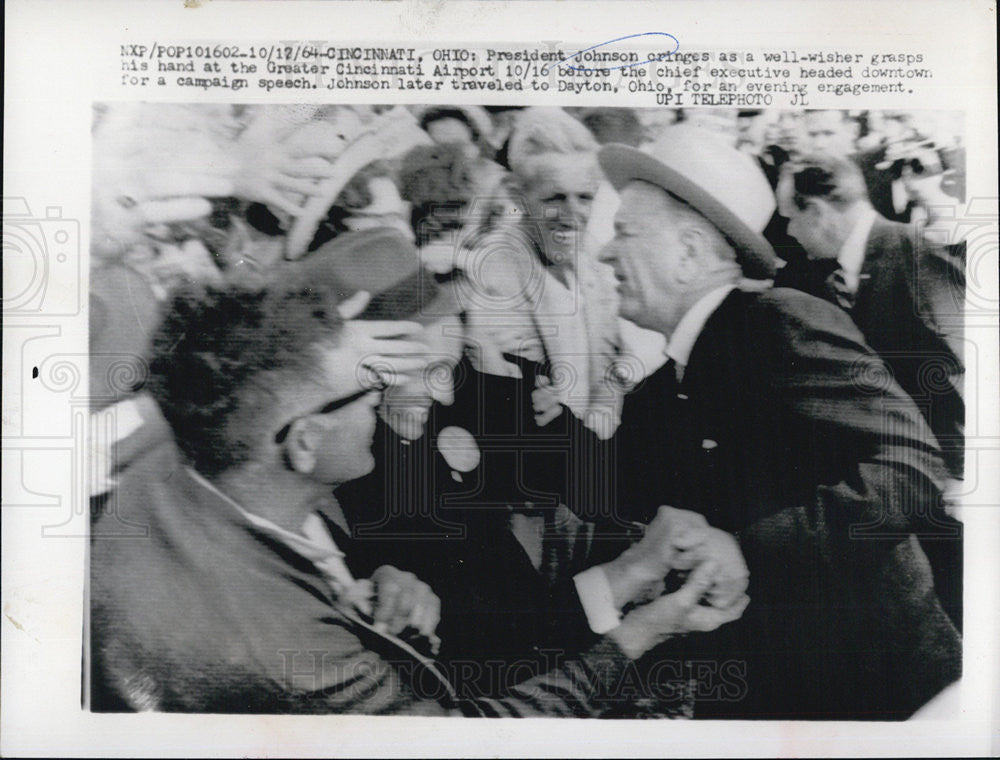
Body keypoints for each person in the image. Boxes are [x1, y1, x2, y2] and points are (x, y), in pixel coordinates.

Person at [90, 272, 750, 716]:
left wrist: (367, 592)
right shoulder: (302, 658)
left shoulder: (183, 457)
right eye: (365, 385)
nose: (380, 395)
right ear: (305, 443)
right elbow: (474, 732)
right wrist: (638, 633)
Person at [587, 124, 961, 719]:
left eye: (624, 233)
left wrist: (748, 550)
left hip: (890, 696)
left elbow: (912, 467)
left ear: (687, 251)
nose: (604, 253)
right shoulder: (660, 392)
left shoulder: (777, 322)